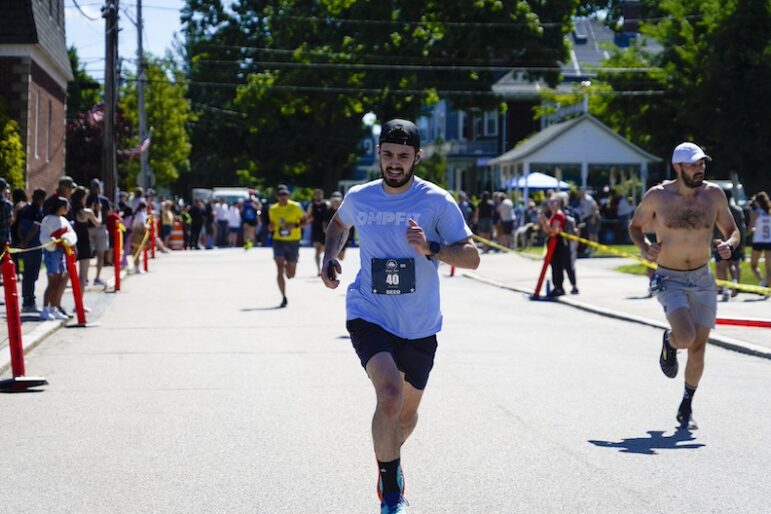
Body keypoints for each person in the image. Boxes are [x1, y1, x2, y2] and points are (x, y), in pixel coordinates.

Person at [320, 118, 480, 514]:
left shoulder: (436, 201)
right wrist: (330, 256)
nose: (394, 163)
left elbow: (472, 257)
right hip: (369, 311)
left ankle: (388, 458)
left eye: (403, 156)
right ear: (379, 154)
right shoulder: (361, 196)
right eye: (388, 155)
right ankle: (391, 491)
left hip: (420, 323)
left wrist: (431, 247)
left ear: (416, 157)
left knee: (406, 415)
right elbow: (338, 226)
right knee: (389, 394)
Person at [629, 142, 739, 430]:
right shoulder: (658, 196)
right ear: (678, 167)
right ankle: (670, 341)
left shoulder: (714, 195)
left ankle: (686, 405)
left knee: (699, 348)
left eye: (702, 163)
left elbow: (733, 230)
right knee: (686, 337)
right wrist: (645, 247)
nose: (700, 168)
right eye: (693, 164)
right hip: (670, 278)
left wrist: (729, 245)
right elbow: (635, 227)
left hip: (702, 278)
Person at [39, 197, 77, 320]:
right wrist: (52, 241)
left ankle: (53, 308)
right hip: (52, 253)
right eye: (66, 206)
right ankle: (45, 309)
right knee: (52, 281)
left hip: (62, 252)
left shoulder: (64, 220)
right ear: (60, 207)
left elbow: (72, 234)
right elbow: (43, 236)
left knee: (59, 281)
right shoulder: (48, 220)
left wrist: (68, 238)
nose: (68, 209)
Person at [267, 185, 305, 307]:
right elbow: (272, 225)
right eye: (280, 195)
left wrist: (294, 226)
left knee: (291, 274)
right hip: (278, 241)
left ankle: (286, 267)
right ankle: (283, 296)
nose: (283, 197)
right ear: (277, 197)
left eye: (285, 195)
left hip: (293, 241)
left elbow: (305, 221)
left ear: (288, 196)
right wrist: (271, 227)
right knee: (278, 267)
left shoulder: (295, 207)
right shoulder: (273, 209)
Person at [539, 194, 577, 296]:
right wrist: (544, 223)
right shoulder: (552, 215)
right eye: (549, 202)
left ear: (559, 203)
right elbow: (547, 231)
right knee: (555, 266)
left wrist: (545, 223)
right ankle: (558, 286)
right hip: (553, 243)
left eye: (553, 202)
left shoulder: (558, 215)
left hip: (559, 243)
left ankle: (560, 287)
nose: (550, 204)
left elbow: (553, 231)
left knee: (559, 266)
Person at [17, 188, 47, 312]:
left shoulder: (25, 210)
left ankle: (27, 300)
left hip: (26, 246)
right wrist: (27, 242)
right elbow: (35, 228)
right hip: (33, 246)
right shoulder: (37, 211)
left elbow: (19, 227)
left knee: (27, 274)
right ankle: (29, 301)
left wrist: (23, 241)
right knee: (32, 274)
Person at [713, 189, 746, 301]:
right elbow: (742, 228)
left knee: (721, 266)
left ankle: (726, 288)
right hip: (735, 242)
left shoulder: (717, 211)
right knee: (734, 265)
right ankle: (735, 283)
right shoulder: (738, 210)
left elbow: (714, 228)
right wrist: (742, 243)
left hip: (721, 242)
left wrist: (712, 241)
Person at [71, 187, 101, 307]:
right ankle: (79, 304)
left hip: (72, 243)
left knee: (70, 275)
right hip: (84, 243)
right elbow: (98, 223)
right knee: (82, 276)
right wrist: (98, 211)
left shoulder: (71, 210)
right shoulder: (87, 212)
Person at [86, 178, 112, 282]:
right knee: (100, 254)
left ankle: (86, 277)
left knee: (87, 255)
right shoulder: (104, 200)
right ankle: (97, 277)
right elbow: (109, 213)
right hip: (100, 227)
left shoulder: (86, 199)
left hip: (88, 228)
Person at [747, 192, 771, 288]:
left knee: (753, 265)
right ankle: (768, 287)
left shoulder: (756, 213)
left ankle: (762, 281)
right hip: (769, 241)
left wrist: (754, 230)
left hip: (758, 241)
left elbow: (750, 229)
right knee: (768, 267)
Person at [306, 188, 331, 275]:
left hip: (325, 230)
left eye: (320, 194)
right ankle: (318, 270)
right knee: (317, 250)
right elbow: (308, 216)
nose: (318, 196)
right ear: (314, 196)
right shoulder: (311, 206)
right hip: (316, 230)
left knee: (325, 250)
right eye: (317, 194)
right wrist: (309, 219)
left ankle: (326, 267)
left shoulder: (326, 204)